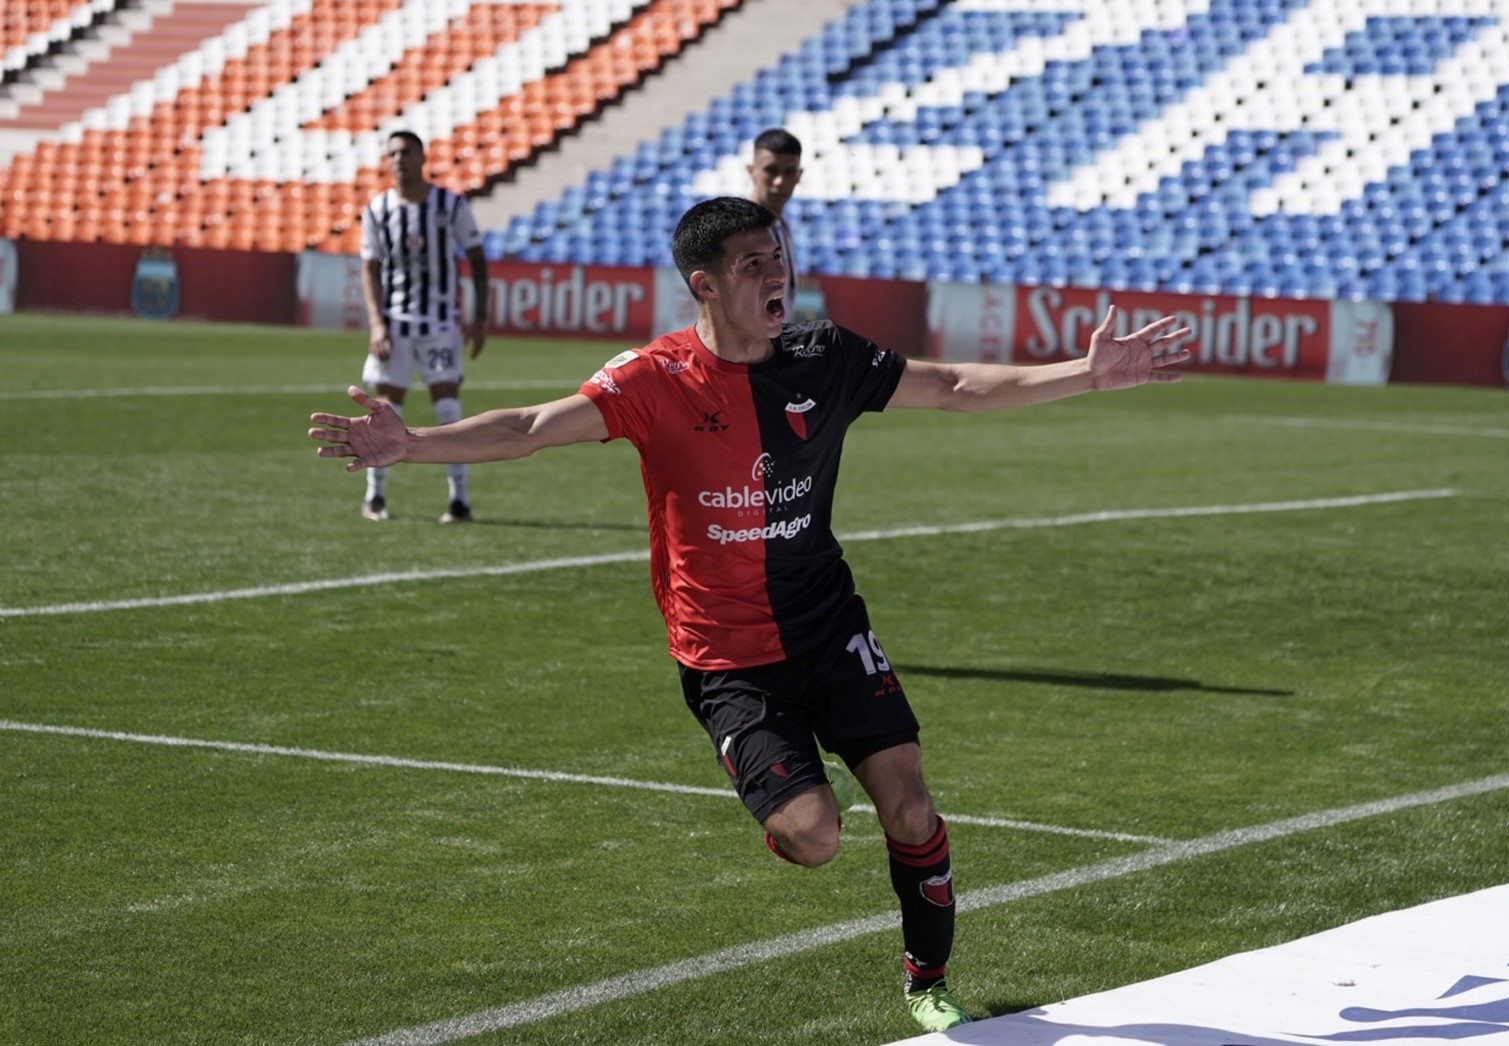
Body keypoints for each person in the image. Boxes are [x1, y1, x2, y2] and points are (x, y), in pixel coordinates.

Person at [309, 196, 1191, 1033]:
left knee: (911, 807)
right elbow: (531, 426)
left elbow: (957, 384)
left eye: (779, 258)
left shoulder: (825, 355)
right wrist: (413, 445)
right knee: (813, 838)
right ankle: (789, 806)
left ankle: (928, 983)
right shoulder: (654, 378)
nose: (778, 275)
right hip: (725, 654)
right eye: (753, 264)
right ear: (704, 283)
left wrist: (1086, 374)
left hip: (828, 626)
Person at [357, 128, 489, 524]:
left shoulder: (450, 205)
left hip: (440, 323)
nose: (399, 159)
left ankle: (459, 500)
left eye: (407, 152)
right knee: (385, 408)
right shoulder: (377, 209)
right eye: (393, 153)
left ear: (422, 158)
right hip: (394, 324)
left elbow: (477, 259)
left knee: (448, 408)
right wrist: (376, 323)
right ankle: (375, 496)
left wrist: (480, 317)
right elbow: (369, 268)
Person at [745, 127, 803, 321]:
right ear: (751, 171)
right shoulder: (738, 229)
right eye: (771, 170)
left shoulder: (782, 226)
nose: (779, 181)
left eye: (789, 172)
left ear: (799, 176)